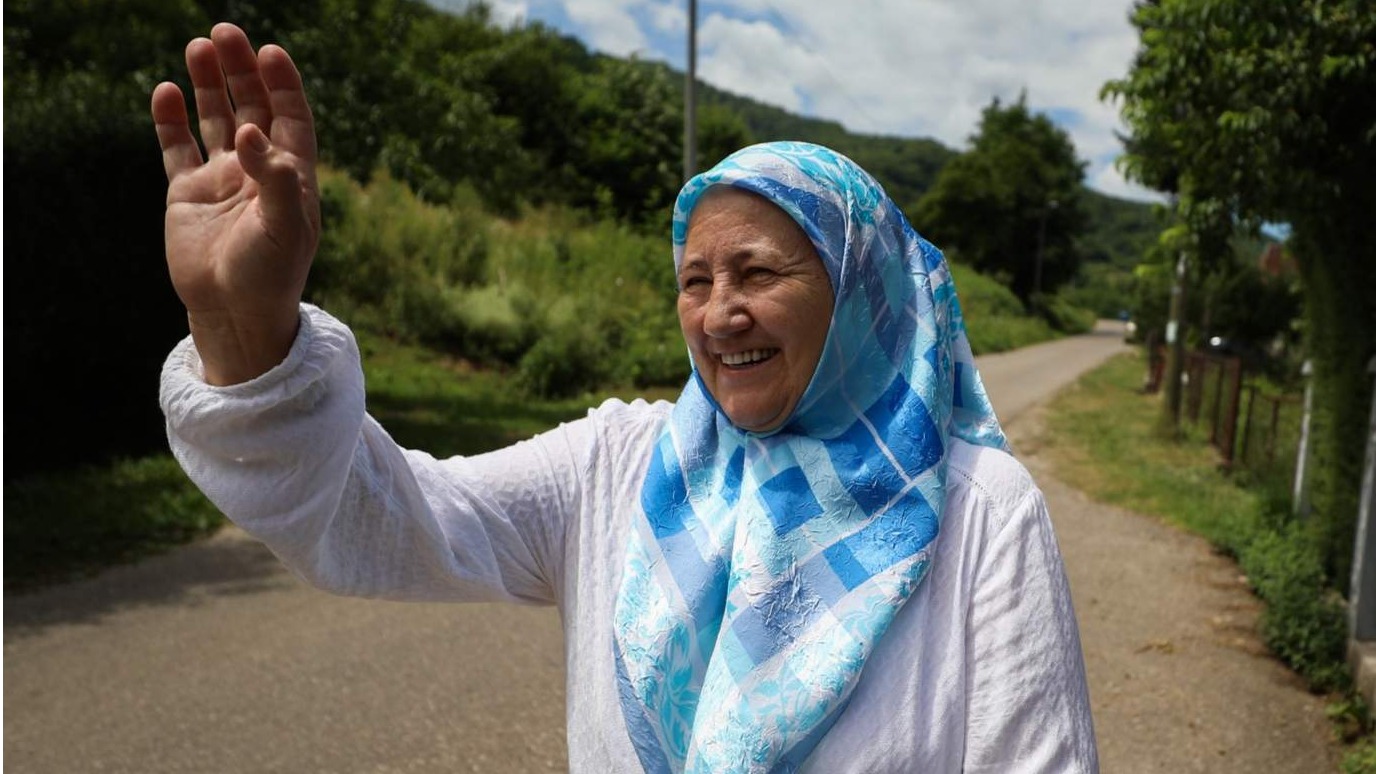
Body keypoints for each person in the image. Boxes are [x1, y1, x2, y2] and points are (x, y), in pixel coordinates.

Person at [154, 23, 1098, 773]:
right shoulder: (620, 465)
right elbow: (378, 519)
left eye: (758, 272)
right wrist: (247, 329)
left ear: (861, 294)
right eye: (694, 281)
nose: (720, 314)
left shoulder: (979, 514)